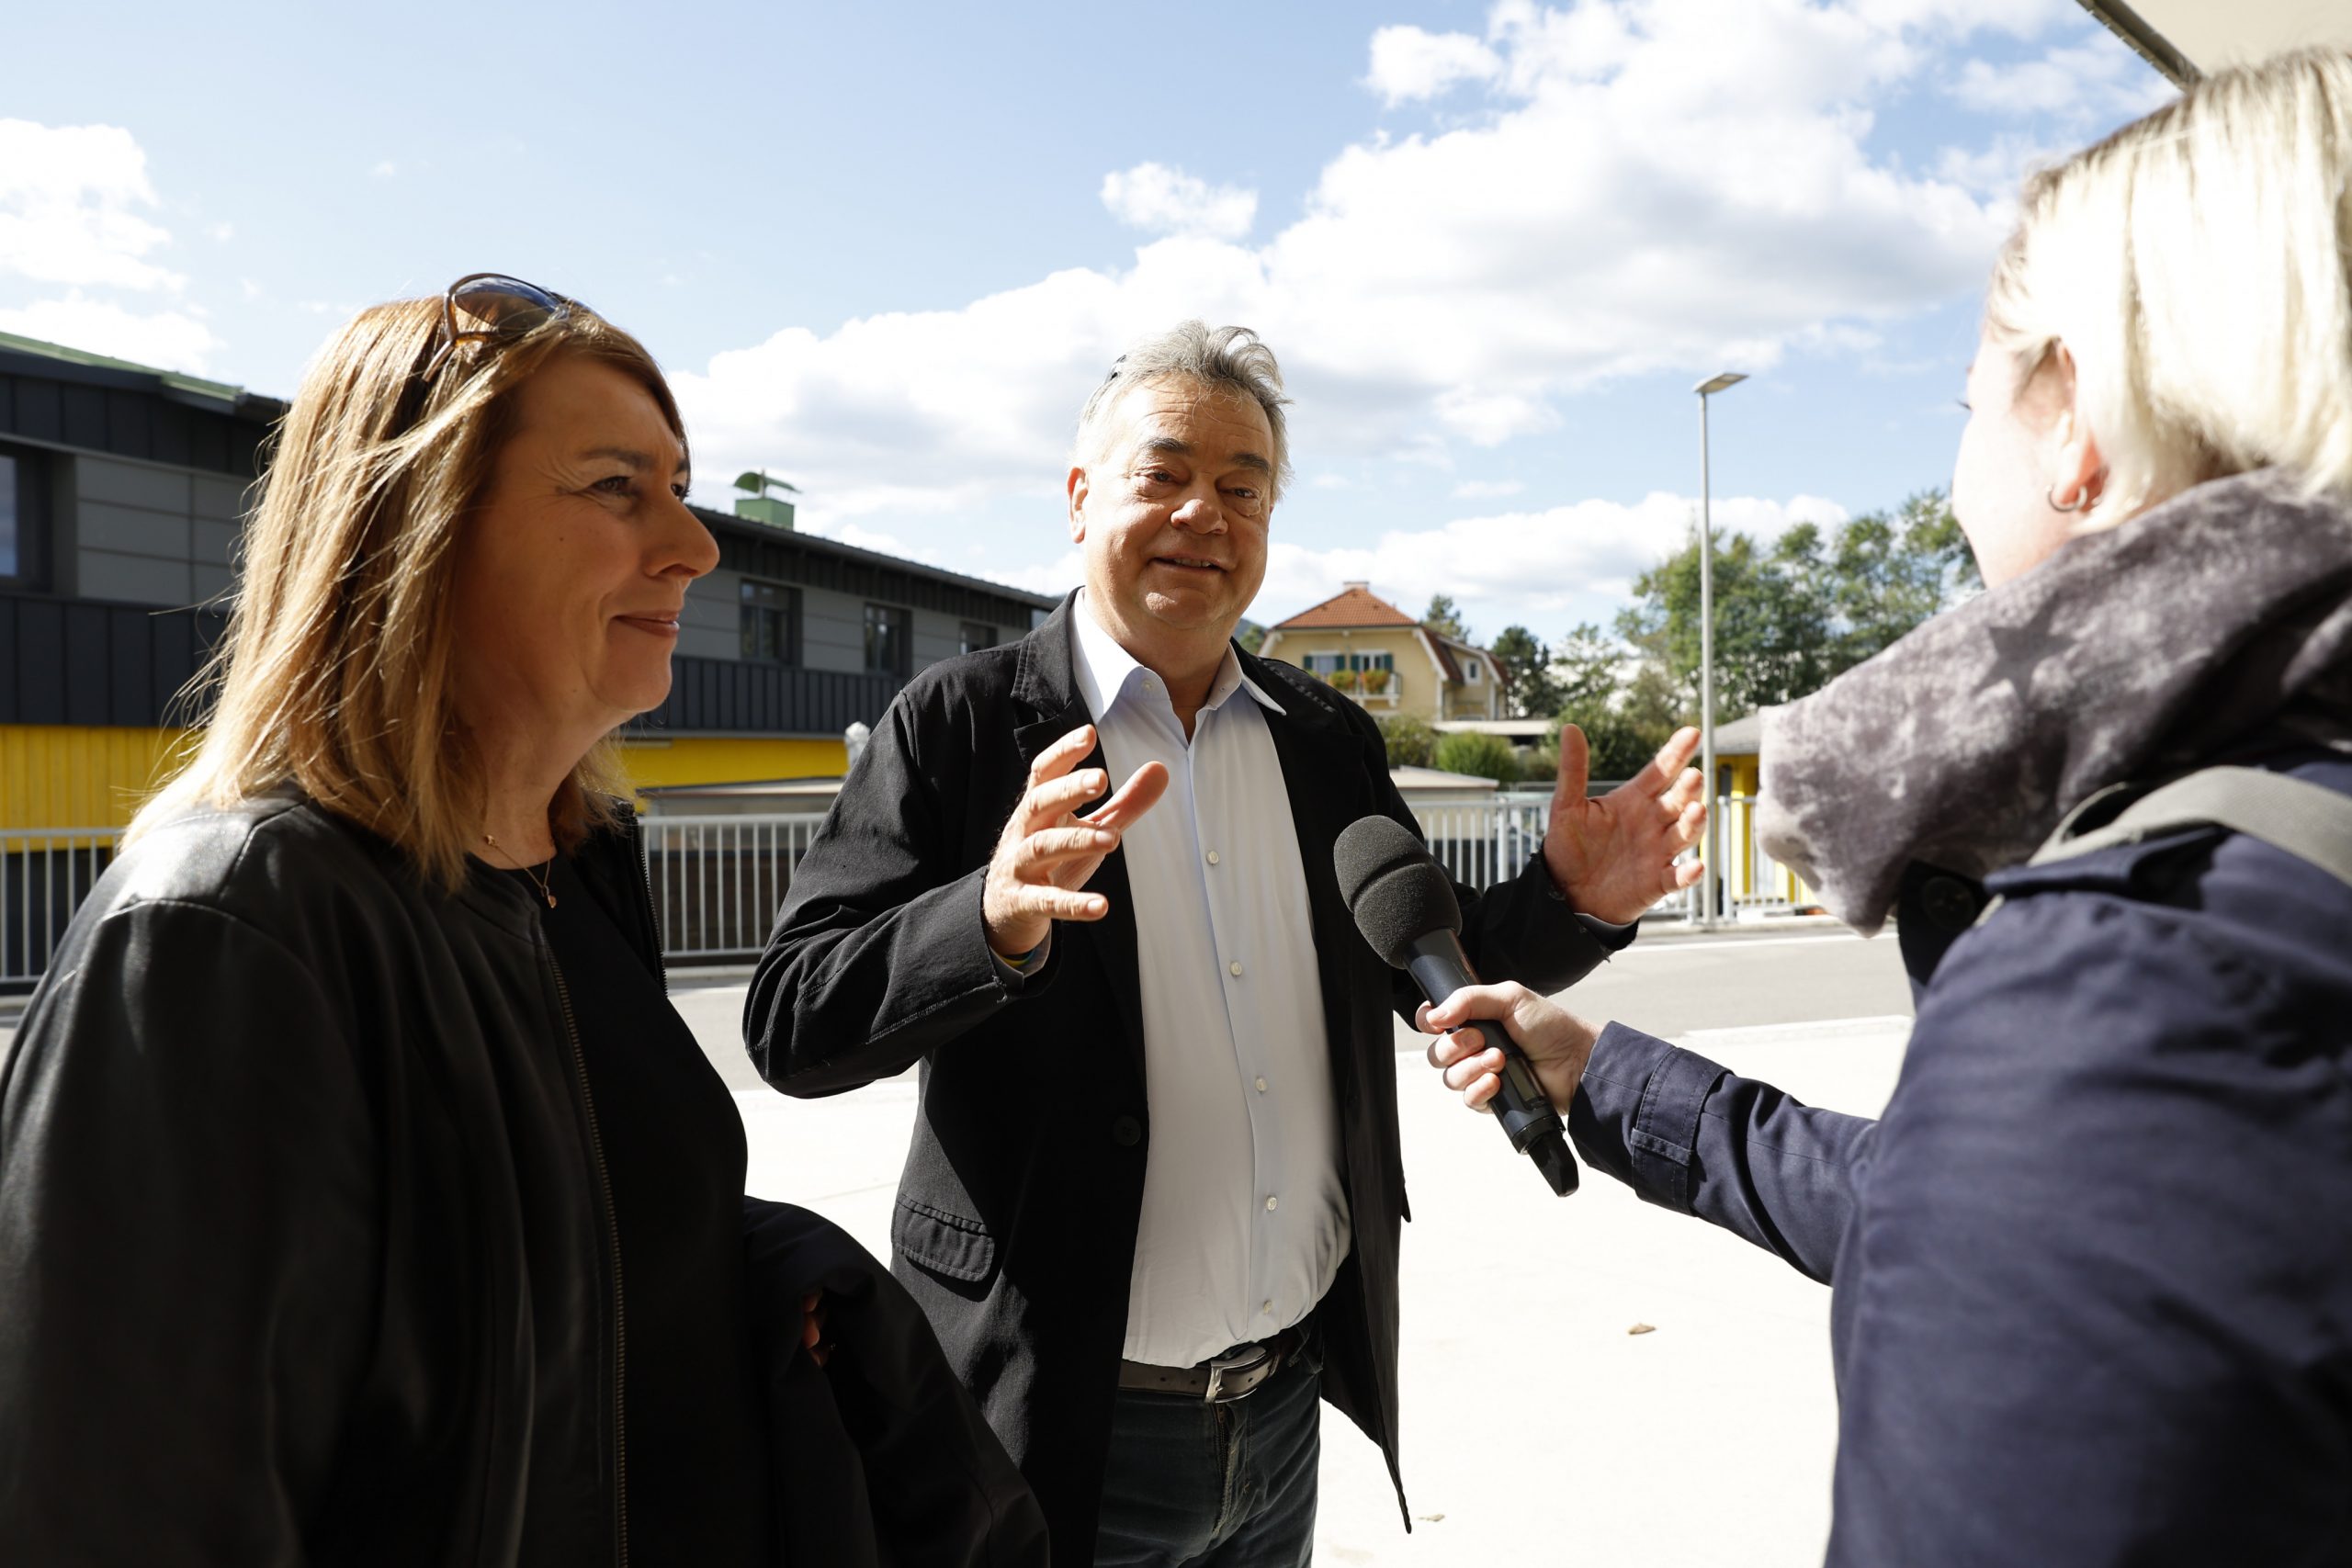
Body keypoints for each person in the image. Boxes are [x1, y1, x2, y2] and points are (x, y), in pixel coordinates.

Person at [1421, 49, 2352, 1565]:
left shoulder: (2140, 971)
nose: (1955, 468)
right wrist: (1610, 1078)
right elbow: (1977, 1215)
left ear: (2073, 417)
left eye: (1967, 402)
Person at [0, 276, 1043, 1566]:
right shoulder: (224, 928)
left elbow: (562, 1257)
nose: (696, 545)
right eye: (616, 487)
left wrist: (756, 1265)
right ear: (415, 528)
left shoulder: (579, 865)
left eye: (680, 485)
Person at [744, 320, 1708, 1564]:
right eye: (1164, 473)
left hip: (1283, 1411)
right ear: (1081, 496)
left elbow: (1424, 951)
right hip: (1054, 1425)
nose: (1205, 512)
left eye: (1243, 489)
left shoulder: (1325, 739)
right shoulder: (959, 724)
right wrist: (986, 917)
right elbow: (794, 1020)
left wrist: (1576, 896)